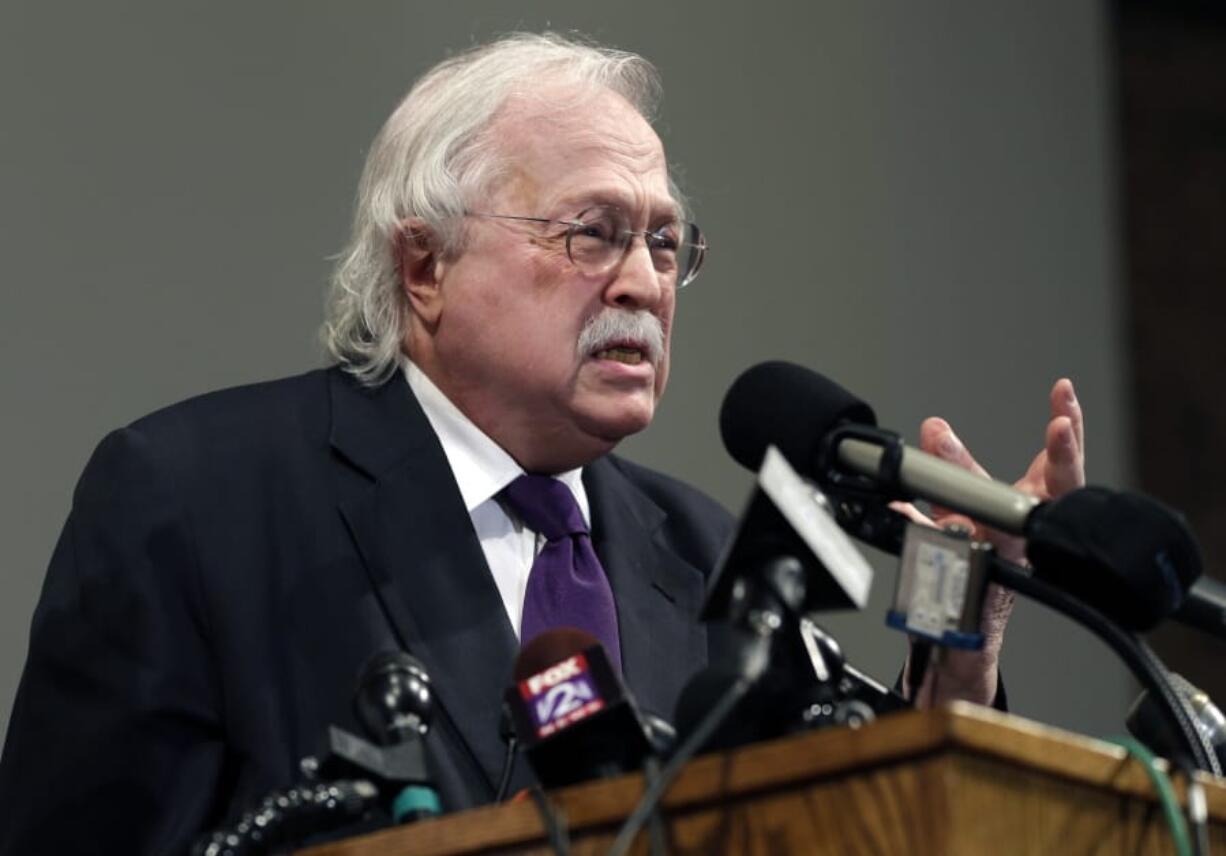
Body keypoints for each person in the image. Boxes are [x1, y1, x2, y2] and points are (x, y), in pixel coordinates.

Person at [0, 33, 1085, 854]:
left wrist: (957, 613)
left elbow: (866, 829)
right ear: (422, 266)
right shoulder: (196, 500)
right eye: (592, 232)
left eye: (665, 242)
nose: (642, 282)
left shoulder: (704, 556)